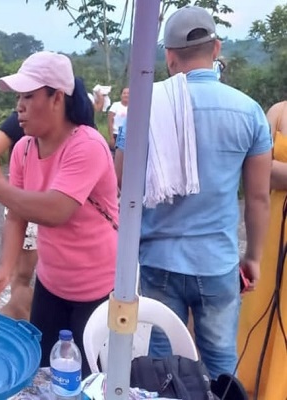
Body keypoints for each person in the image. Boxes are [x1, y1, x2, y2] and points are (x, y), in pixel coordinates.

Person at [116, 6, 271, 379]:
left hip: (158, 260)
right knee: (220, 363)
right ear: (216, 49)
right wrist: (253, 257)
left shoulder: (146, 105)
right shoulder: (249, 112)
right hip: (217, 263)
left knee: (162, 364)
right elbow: (258, 197)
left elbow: (121, 177)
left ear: (169, 58)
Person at [0, 51, 118, 374]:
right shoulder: (24, 149)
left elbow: (57, 210)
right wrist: (5, 267)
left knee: (86, 380)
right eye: (19, 97)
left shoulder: (87, 145)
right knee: (44, 370)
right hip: (51, 283)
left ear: (57, 98)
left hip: (96, 290)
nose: (20, 107)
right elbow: (17, 213)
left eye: (29, 96)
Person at [236, 101, 287, 400]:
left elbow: (268, 166)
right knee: (266, 305)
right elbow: (259, 169)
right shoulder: (277, 112)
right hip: (275, 229)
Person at [0, 110, 37, 321]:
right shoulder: (20, 118)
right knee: (21, 279)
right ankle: (21, 333)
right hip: (23, 211)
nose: (23, 104)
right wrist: (10, 192)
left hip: (49, 207)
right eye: (23, 96)